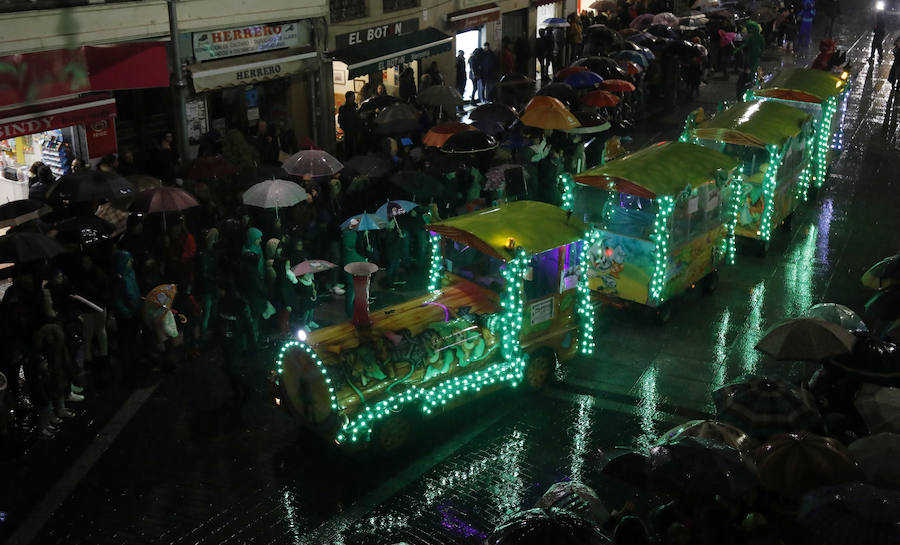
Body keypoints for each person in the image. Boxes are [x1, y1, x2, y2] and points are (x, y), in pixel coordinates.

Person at [338, 91, 362, 158]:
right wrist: (344, 128)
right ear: (348, 98)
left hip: (355, 129)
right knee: (348, 146)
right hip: (348, 130)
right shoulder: (343, 108)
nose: (354, 99)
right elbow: (340, 120)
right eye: (352, 97)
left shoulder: (355, 106)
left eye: (354, 97)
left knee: (355, 145)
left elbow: (357, 117)